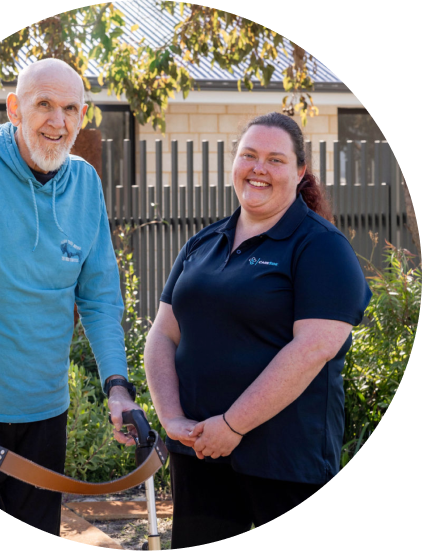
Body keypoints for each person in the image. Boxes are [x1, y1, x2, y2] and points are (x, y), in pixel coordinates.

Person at [0, 58, 140, 535]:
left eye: (70, 108)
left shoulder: (85, 183)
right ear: (15, 109)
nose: (58, 122)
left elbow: (100, 298)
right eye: (44, 105)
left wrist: (118, 389)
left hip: (44, 410)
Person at [144, 112, 372, 547]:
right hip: (199, 454)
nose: (259, 168)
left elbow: (313, 349)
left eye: (275, 159)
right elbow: (162, 334)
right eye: (248, 155)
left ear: (300, 170)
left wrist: (232, 425)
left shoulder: (321, 247)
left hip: (284, 463)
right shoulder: (202, 243)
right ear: (234, 163)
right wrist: (171, 417)